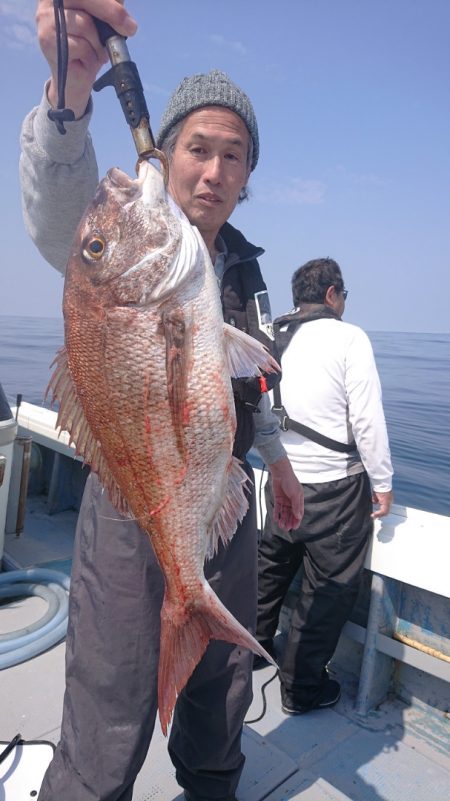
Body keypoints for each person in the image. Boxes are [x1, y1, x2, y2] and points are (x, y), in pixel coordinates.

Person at [19, 2, 304, 800]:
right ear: (169, 153)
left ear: (248, 175)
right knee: (109, 697)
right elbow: (61, 213)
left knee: (221, 691)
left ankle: (212, 783)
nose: (213, 171)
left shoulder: (241, 270)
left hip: (226, 490)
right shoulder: (129, 253)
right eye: (198, 149)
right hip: (134, 498)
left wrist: (276, 461)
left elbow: (255, 380)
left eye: (234, 156)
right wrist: (68, 102)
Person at [255, 257, 393, 715]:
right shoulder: (349, 337)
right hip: (333, 491)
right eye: (344, 295)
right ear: (333, 294)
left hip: (277, 480)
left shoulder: (271, 333)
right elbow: (367, 419)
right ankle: (301, 689)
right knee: (328, 590)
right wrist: (383, 481)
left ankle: (248, 653)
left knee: (269, 569)